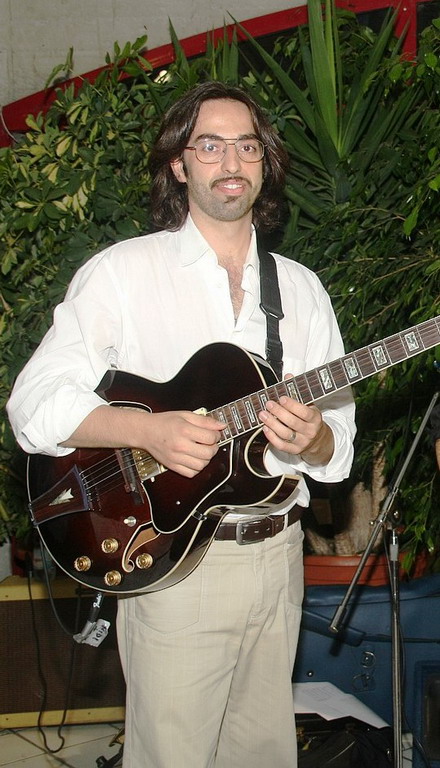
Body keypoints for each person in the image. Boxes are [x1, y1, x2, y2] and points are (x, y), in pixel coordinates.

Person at [7, 81, 356, 768]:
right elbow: (33, 404)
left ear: (265, 163)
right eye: (211, 145)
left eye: (247, 146)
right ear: (179, 163)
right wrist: (145, 431)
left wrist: (315, 440)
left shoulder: (300, 289)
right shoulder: (124, 273)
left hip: (279, 558)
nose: (232, 162)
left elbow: (337, 439)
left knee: (264, 755)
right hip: (172, 561)